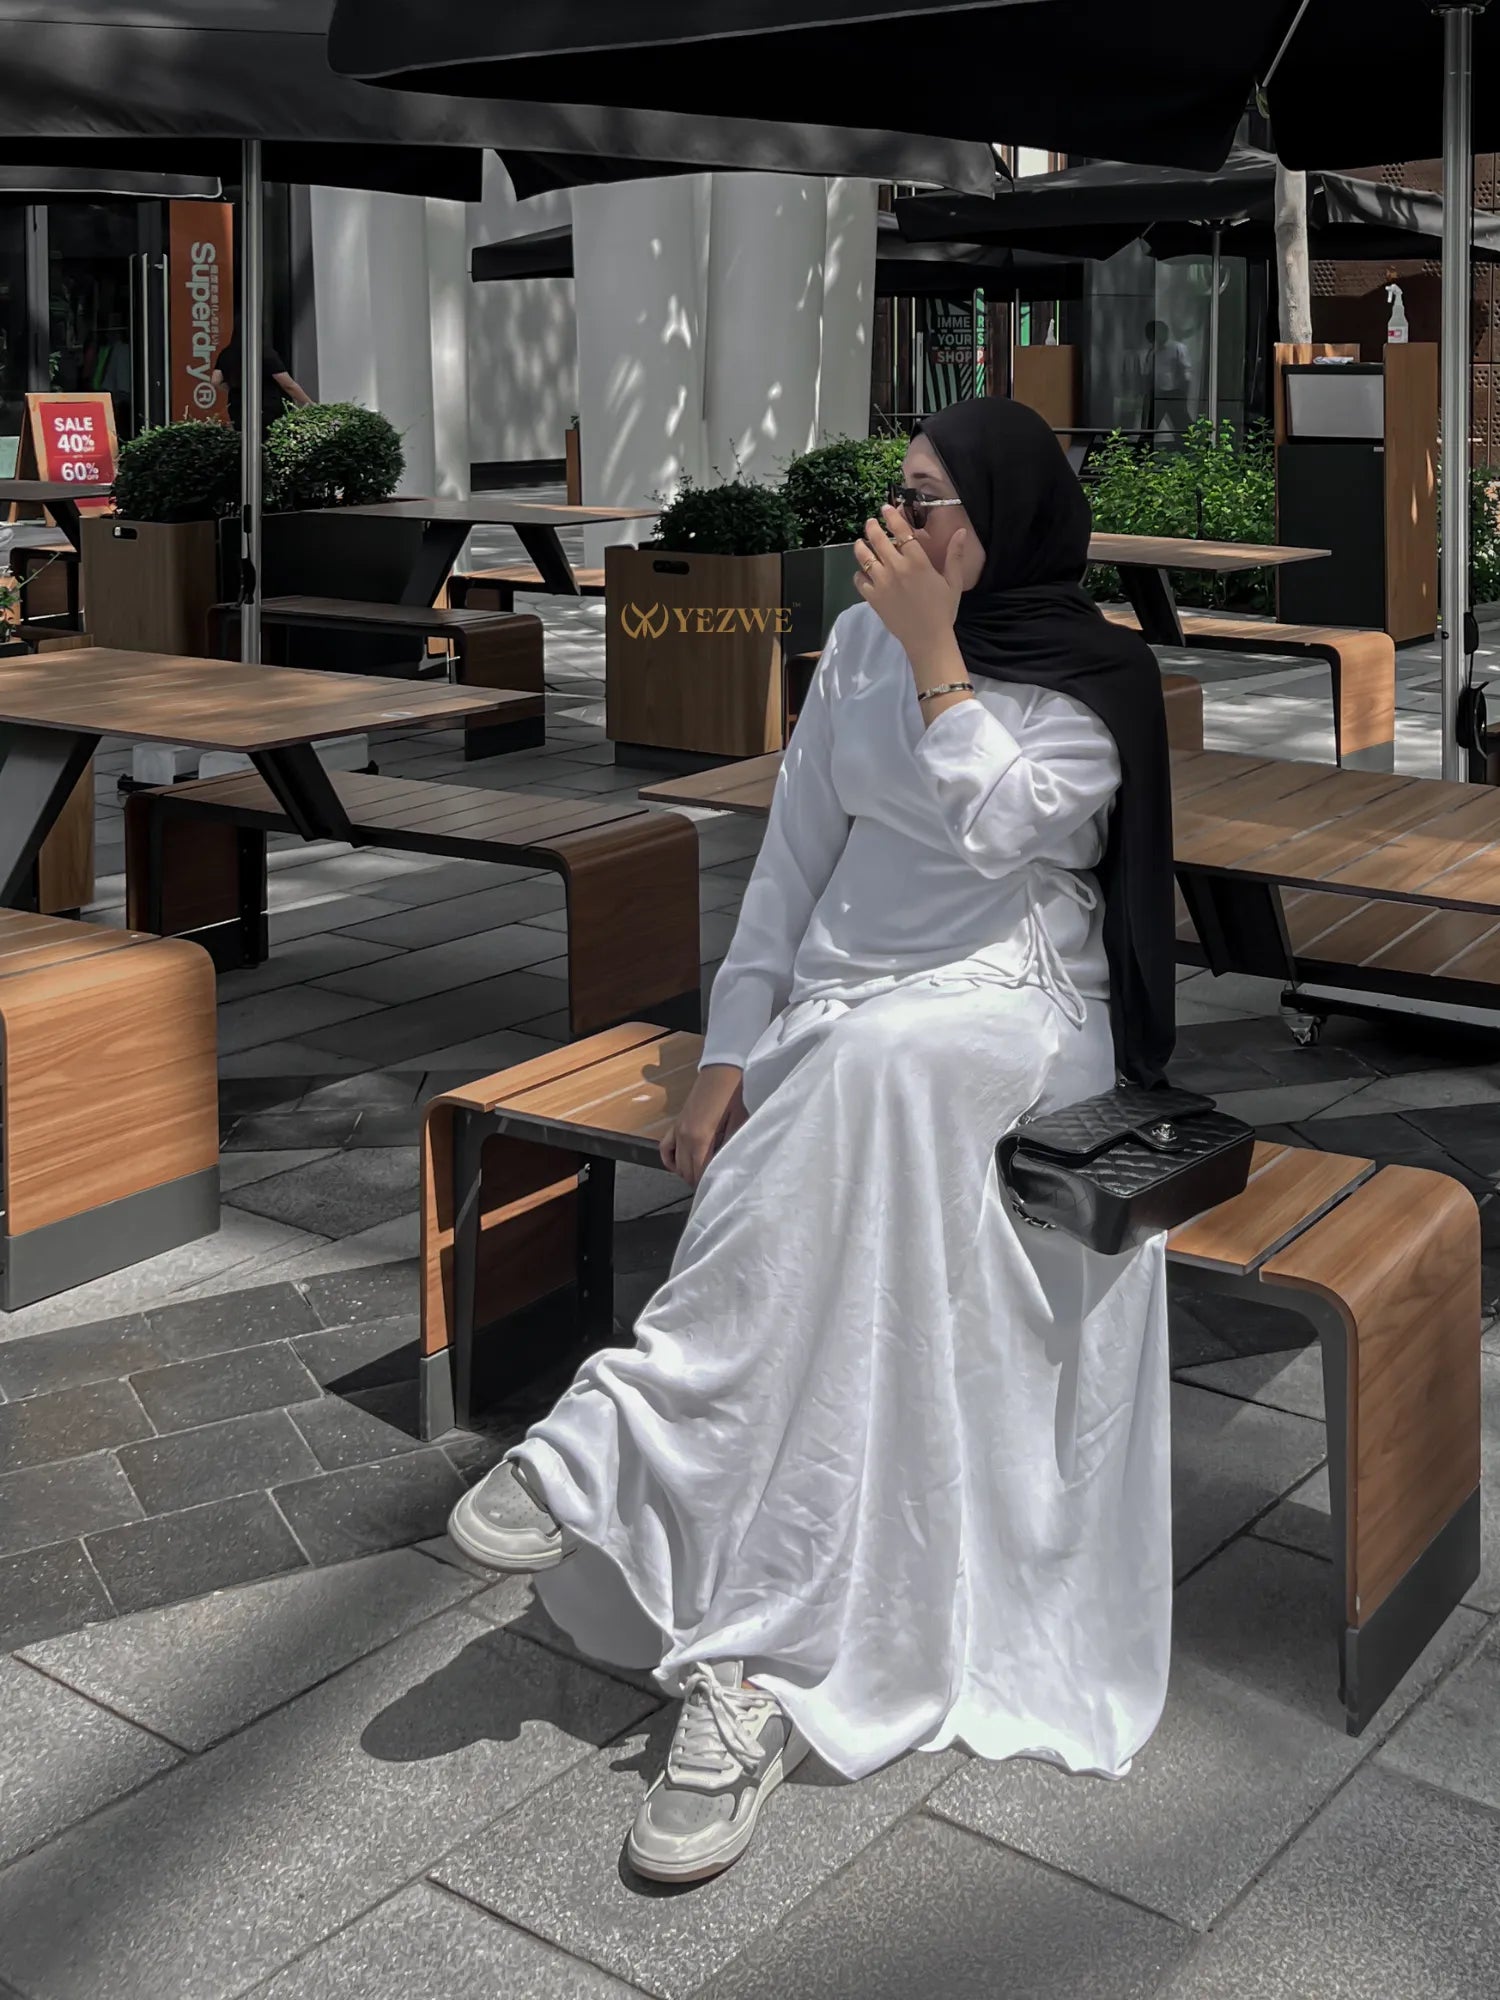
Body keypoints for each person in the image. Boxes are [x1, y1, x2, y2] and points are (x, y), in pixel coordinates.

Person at [448, 397, 1178, 1887]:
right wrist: (722, 1058)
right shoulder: (851, 644)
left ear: (1008, 521)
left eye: (933, 502)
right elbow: (790, 865)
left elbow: (1004, 831)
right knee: (838, 1143)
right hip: (855, 1012)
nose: (901, 527)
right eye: (894, 496)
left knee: (875, 1072)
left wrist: (936, 656)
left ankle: (620, 1434)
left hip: (1013, 1007)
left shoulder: (1094, 677)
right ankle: (762, 1655)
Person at [211, 321, 312, 429]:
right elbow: (288, 385)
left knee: (243, 434)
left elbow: (215, 381)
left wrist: (235, 388)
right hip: (266, 406)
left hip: (238, 407)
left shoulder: (227, 353)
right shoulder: (264, 352)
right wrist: (309, 404)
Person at [1138, 318, 1193, 436]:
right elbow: (1148, 374)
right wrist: (1147, 394)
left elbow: (1186, 373)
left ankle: (1192, 443)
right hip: (1157, 395)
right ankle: (1145, 444)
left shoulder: (1178, 348)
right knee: (1149, 429)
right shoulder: (1151, 353)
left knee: (1182, 427)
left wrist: (1182, 395)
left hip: (1174, 394)